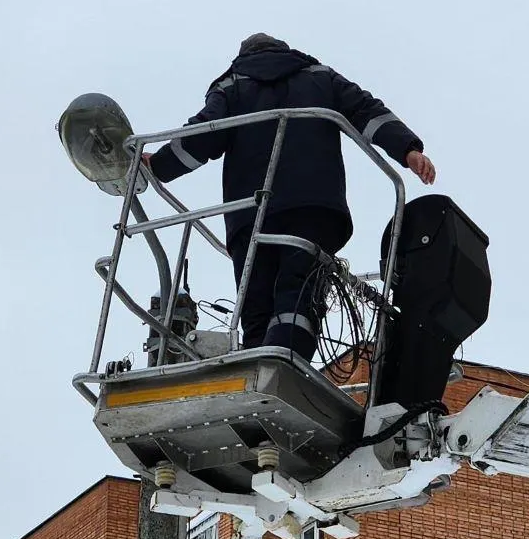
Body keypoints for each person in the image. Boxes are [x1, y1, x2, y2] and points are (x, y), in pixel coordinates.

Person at [143, 33, 436, 360]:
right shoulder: (320, 77)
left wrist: (158, 166)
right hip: (313, 204)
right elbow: (365, 110)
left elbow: (202, 135)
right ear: (285, 51)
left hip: (251, 212)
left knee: (256, 301)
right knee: (299, 290)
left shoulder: (232, 86)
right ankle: (287, 360)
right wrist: (408, 149)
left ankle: (258, 362)